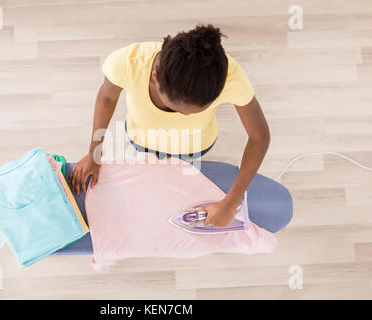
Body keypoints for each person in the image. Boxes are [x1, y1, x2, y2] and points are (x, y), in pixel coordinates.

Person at [68, 24, 271, 228]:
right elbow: (106, 99)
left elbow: (259, 137)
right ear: (155, 78)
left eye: (198, 109)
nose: (188, 116)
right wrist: (94, 153)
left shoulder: (230, 78)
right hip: (141, 140)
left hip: (193, 147)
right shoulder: (127, 63)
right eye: (181, 109)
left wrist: (230, 203)